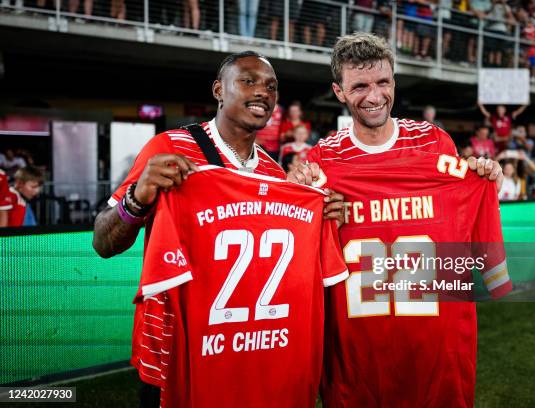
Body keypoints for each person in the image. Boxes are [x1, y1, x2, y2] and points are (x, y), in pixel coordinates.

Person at [92, 51, 344, 408]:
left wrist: (322, 211)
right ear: (218, 90)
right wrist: (138, 196)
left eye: (271, 87)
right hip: (178, 350)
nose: (262, 93)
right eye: (248, 81)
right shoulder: (168, 148)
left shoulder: (275, 176)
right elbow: (103, 242)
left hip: (251, 352)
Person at [288, 33, 508, 407]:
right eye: (360, 86)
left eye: (383, 83)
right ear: (339, 92)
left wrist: (486, 179)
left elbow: (462, 206)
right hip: (358, 348)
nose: (374, 97)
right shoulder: (322, 160)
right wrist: (301, 199)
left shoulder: (434, 143)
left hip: (436, 343)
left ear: (393, 81)